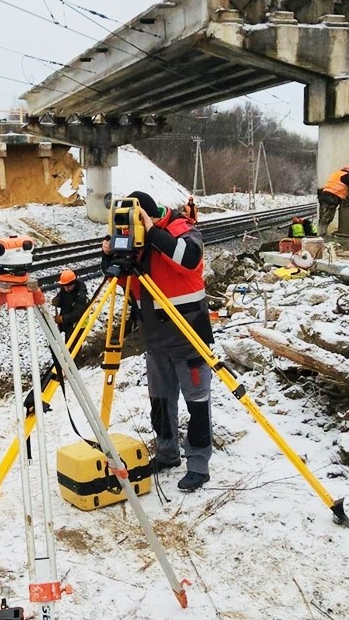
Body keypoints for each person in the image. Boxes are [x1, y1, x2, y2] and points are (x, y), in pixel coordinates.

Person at [102, 190, 214, 492]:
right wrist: (110, 256)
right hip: (155, 337)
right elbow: (125, 282)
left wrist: (152, 232)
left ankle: (199, 465)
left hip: (189, 333)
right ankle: (167, 453)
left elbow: (190, 259)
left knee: (197, 402)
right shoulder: (134, 237)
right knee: (161, 401)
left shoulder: (181, 228)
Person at [317, 164, 349, 236]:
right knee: (327, 217)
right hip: (332, 198)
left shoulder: (336, 174)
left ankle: (321, 233)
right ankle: (322, 235)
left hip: (324, 196)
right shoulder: (346, 176)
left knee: (322, 217)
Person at [51, 268, 88, 340]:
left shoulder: (81, 295)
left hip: (77, 326)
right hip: (68, 324)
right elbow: (61, 298)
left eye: (68, 287)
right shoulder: (66, 288)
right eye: (64, 287)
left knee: (73, 347)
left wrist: (62, 319)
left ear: (73, 283)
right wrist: (57, 301)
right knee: (67, 346)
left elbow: (77, 313)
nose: (66, 289)